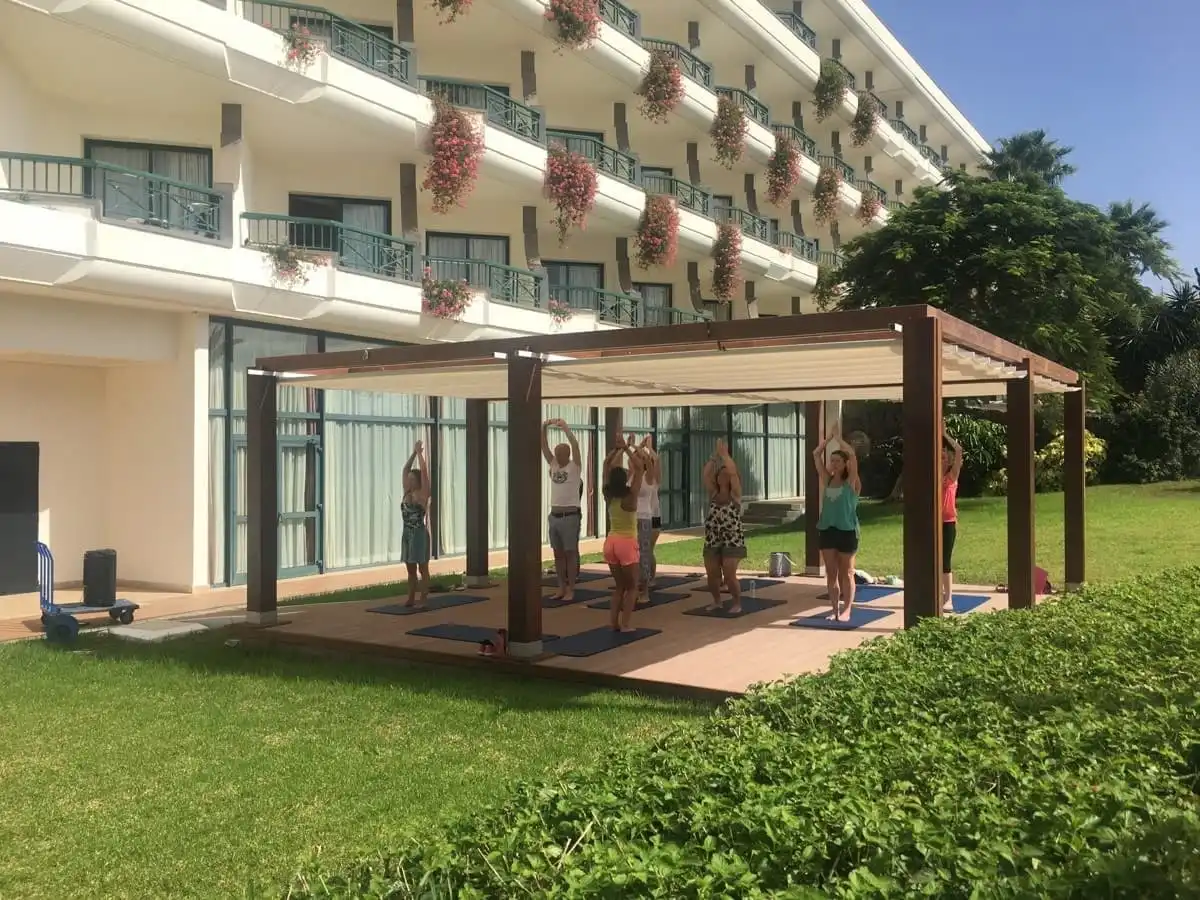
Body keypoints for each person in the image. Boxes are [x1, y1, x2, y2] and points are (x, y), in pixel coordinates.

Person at [813, 424, 861, 621]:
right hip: (827, 530)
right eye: (831, 461)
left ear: (845, 463)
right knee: (831, 574)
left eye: (837, 461)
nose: (833, 464)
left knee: (847, 572)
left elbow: (853, 455)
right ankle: (834, 611)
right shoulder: (827, 479)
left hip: (847, 531)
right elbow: (816, 454)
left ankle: (847, 609)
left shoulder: (851, 482)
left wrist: (839, 439)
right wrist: (827, 440)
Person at [602, 443, 645, 632]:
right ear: (625, 479)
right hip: (626, 544)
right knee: (632, 587)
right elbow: (640, 468)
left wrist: (617, 448)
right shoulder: (631, 496)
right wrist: (627, 448)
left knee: (619, 587)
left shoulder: (608, 495)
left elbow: (605, 464)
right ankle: (626, 624)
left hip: (610, 543)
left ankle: (613, 623)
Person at [701, 439, 746, 614]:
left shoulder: (735, 495)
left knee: (729, 573)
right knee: (712, 574)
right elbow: (705, 475)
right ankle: (717, 601)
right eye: (721, 473)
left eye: (726, 474)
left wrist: (725, 456)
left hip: (732, 538)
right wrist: (714, 458)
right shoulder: (713, 493)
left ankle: (736, 602)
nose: (724, 476)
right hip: (713, 537)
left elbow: (734, 474)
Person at [541, 417, 582, 603]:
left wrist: (565, 427)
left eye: (560, 453)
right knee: (558, 554)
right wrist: (543, 428)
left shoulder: (574, 467)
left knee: (570, 553)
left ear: (567, 454)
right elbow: (544, 447)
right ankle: (560, 587)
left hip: (570, 516)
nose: (556, 456)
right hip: (554, 516)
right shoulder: (553, 465)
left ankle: (571, 588)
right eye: (556, 453)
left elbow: (575, 444)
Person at [400, 440, 432, 609]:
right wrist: (413, 453)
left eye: (413, 479)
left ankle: (424, 597)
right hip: (407, 534)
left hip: (419, 533)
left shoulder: (422, 493)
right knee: (410, 569)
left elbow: (425, 473)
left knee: (422, 567)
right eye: (409, 480)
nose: (410, 481)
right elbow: (405, 469)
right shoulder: (407, 492)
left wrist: (420, 455)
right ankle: (411, 596)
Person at [634, 436, 662, 605]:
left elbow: (656, 460)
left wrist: (648, 448)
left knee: (648, 550)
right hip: (640, 516)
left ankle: (650, 579)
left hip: (652, 516)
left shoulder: (652, 477)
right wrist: (636, 447)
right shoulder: (636, 476)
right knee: (644, 551)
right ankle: (646, 578)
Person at [942, 429, 964, 613]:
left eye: (943, 458)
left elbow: (958, 451)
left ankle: (948, 598)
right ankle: (938, 593)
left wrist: (944, 434)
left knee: (945, 561)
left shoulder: (951, 477)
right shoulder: (931, 477)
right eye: (938, 457)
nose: (941, 460)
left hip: (948, 523)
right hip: (932, 523)